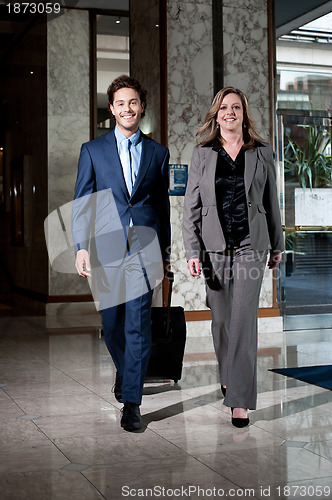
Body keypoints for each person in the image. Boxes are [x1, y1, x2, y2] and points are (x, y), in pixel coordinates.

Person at [73, 75, 170, 431]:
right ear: (112, 109)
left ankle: (132, 401)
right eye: (120, 103)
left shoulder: (158, 152)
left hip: (145, 246)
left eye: (133, 102)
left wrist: (168, 251)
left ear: (141, 107)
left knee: (138, 323)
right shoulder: (93, 150)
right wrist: (81, 247)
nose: (127, 108)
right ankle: (125, 368)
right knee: (112, 323)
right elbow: (83, 202)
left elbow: (161, 206)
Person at [182, 87, 284, 427]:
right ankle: (229, 371)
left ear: (244, 113)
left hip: (250, 246)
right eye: (224, 107)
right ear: (216, 114)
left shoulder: (262, 152)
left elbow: (272, 202)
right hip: (213, 248)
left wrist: (278, 244)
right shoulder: (203, 154)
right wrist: (192, 251)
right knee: (222, 320)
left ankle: (239, 399)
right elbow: (191, 209)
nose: (230, 112)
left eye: (236, 107)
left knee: (243, 319)